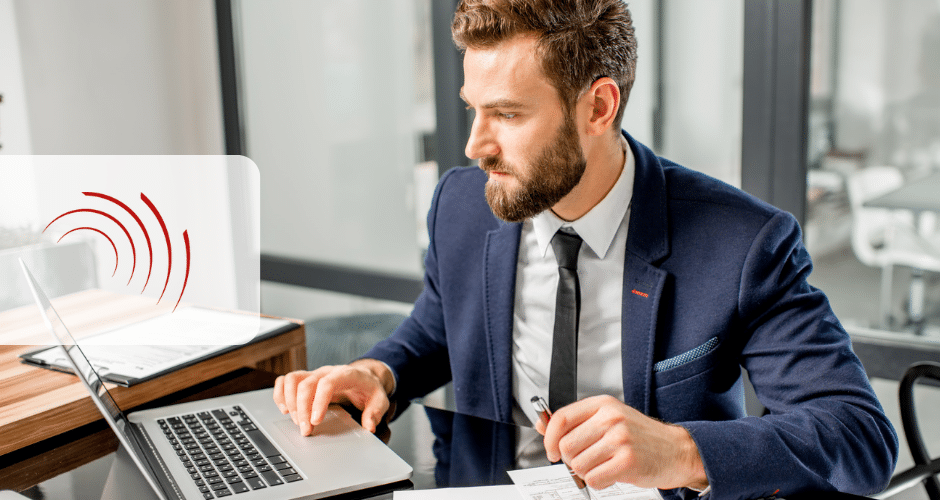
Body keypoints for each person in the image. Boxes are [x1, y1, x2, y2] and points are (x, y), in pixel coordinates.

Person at [274, 1, 899, 499]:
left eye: (508, 115)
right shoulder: (462, 205)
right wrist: (378, 371)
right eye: (474, 109)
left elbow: (860, 437)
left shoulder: (741, 243)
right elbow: (439, 325)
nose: (474, 146)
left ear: (598, 106)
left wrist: (680, 451)